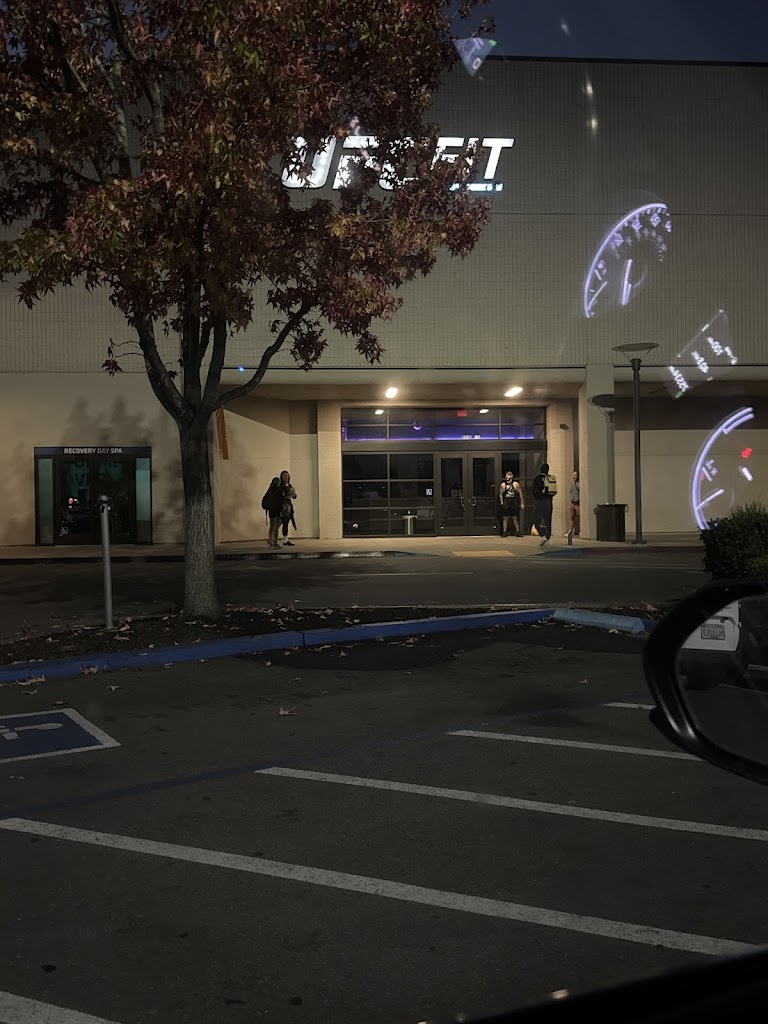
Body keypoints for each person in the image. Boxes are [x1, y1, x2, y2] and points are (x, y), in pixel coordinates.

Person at [532, 462, 557, 547]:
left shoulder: (538, 478)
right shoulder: (550, 478)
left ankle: (543, 536)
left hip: (540, 501)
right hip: (548, 501)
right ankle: (547, 538)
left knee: (536, 520)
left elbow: (534, 491)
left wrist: (538, 497)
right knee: (548, 521)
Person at [499, 470, 524, 538]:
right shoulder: (503, 485)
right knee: (505, 517)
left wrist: (522, 503)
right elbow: (500, 494)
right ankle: (504, 532)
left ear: (511, 476)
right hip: (506, 501)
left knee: (515, 517)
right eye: (506, 475)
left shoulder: (516, 484)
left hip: (513, 501)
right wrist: (502, 503)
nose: (507, 476)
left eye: (508, 475)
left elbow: (520, 493)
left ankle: (518, 531)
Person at [262, 477, 283, 549]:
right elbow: (281, 502)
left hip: (271, 511)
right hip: (277, 511)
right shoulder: (279, 491)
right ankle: (275, 543)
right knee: (276, 528)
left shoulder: (270, 490)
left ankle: (270, 541)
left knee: (271, 527)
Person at [278, 469, 297, 547]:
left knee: (286, 523)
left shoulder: (290, 486)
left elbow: (294, 496)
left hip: (288, 506)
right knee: (278, 524)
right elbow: (279, 497)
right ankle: (273, 539)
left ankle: (285, 540)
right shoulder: (280, 486)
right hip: (282, 506)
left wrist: (294, 494)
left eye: (287, 475)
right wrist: (286, 496)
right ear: (281, 477)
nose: (286, 477)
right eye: (284, 475)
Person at [567, 470, 580, 538]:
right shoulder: (572, 484)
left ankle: (579, 530)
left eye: (575, 475)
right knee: (571, 517)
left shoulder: (579, 484)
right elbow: (570, 491)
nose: (574, 476)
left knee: (579, 516)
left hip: (578, 502)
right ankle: (571, 531)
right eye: (573, 475)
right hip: (572, 502)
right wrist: (571, 497)